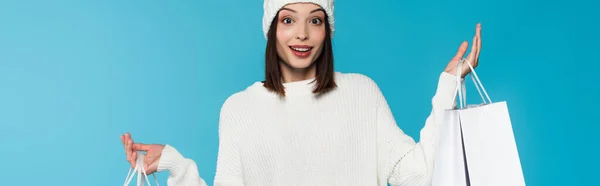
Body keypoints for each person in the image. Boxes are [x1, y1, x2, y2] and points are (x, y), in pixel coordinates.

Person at [120, 0, 482, 185]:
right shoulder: (240, 110)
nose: (302, 35)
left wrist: (447, 86)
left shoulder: (361, 93)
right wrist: (175, 164)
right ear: (272, 27)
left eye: (316, 20)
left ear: (328, 29)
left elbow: (416, 174)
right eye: (289, 19)